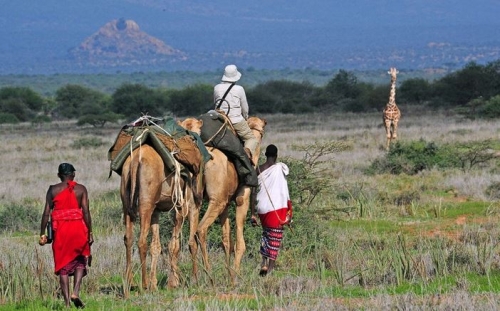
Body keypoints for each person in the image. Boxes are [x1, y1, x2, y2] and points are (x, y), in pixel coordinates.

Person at [39, 163, 93, 309]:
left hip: (61, 231)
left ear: (59, 175)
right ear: (73, 174)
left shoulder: (52, 190)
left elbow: (46, 213)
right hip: (78, 229)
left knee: (62, 266)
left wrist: (42, 233)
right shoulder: (81, 189)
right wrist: (90, 231)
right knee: (80, 260)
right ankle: (76, 291)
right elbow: (86, 212)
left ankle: (67, 303)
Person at [250, 144, 292, 276]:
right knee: (275, 238)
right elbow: (283, 191)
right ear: (276, 156)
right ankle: (270, 268)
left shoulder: (259, 169)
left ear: (266, 155)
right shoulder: (280, 168)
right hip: (276, 208)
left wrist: (252, 213)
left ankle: (263, 262)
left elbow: (253, 192)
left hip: (262, 208)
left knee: (266, 234)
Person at [214, 64, 259, 163]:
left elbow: (216, 104)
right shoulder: (239, 89)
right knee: (251, 139)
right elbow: (245, 108)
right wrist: (245, 117)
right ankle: (246, 155)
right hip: (235, 120)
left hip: (219, 119)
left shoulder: (217, 88)